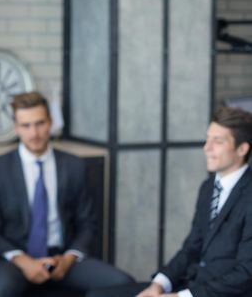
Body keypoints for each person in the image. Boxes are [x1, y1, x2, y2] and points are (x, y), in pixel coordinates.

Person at [0, 91, 133, 297]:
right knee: (3, 288)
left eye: (40, 123)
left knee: (123, 283)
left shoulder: (74, 166)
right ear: (16, 127)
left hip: (62, 258)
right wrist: (23, 261)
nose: (34, 133)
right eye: (26, 126)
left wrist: (68, 259)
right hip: (15, 259)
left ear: (50, 122)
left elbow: (87, 223)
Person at [88, 106, 252, 297]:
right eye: (207, 138)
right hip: (189, 285)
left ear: (242, 149)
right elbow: (191, 248)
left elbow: (245, 273)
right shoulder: (208, 188)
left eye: (218, 141)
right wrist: (158, 284)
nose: (206, 148)